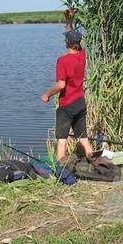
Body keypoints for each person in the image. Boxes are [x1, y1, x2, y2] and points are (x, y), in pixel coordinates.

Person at [41, 8, 93, 161]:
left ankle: (60, 167)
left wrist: (47, 94)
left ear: (68, 43)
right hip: (80, 102)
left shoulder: (63, 61)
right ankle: (92, 159)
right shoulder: (82, 55)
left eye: (65, 39)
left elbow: (61, 84)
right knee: (83, 136)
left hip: (67, 104)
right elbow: (72, 34)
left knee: (62, 138)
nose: (64, 40)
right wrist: (69, 20)